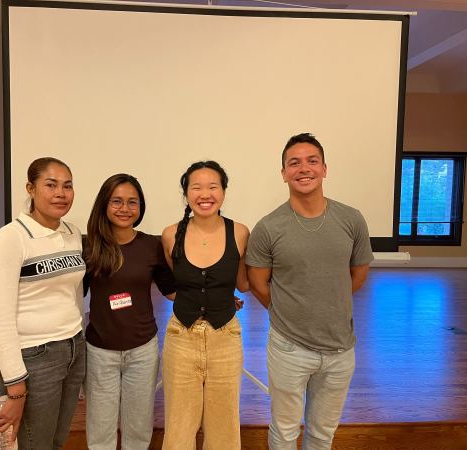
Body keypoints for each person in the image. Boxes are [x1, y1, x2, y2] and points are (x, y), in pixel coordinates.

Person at [245, 133, 374, 450]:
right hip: (289, 348)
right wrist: (291, 314)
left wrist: (328, 301)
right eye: (294, 163)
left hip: (341, 350)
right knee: (285, 431)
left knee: (322, 434)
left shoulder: (351, 219)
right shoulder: (269, 227)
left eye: (312, 161)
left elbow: (357, 275)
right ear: (284, 173)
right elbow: (259, 284)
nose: (304, 169)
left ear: (325, 169)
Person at [0, 157, 86, 450]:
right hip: (34, 357)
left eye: (67, 186)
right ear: (31, 188)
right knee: (33, 444)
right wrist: (15, 387)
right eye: (51, 185)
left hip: (73, 349)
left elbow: (72, 294)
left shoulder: (72, 232)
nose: (61, 193)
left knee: (55, 441)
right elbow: (0, 320)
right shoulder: (11, 237)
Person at [160, 160, 250, 450]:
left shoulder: (239, 232)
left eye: (213, 186)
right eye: (196, 187)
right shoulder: (170, 234)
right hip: (180, 337)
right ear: (186, 193)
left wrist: (226, 299)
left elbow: (242, 282)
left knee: (224, 426)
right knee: (178, 426)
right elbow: (178, 286)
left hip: (226, 337)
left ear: (223, 191)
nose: (205, 194)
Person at [83, 174, 175, 450]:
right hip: (100, 351)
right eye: (117, 202)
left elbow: (171, 290)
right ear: (104, 205)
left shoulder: (152, 245)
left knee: (138, 428)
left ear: (141, 206)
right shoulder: (89, 247)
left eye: (132, 202)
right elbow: (71, 294)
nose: (125, 209)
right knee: (100, 431)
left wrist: (215, 298)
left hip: (142, 350)